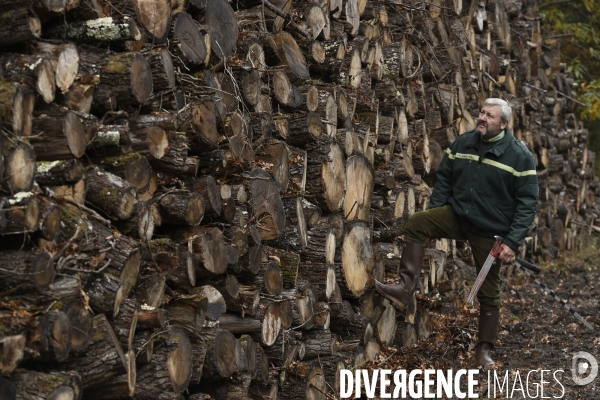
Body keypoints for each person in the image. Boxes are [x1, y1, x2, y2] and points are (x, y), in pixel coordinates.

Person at [375, 98, 539, 368]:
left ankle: (484, 349)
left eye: (490, 116)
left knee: (488, 292)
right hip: (458, 215)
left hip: (490, 229)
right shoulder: (464, 142)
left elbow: (528, 203)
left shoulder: (520, 156)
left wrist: (512, 242)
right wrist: (435, 216)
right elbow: (445, 180)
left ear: (504, 124)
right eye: (482, 112)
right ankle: (405, 288)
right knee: (417, 222)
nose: (483, 118)